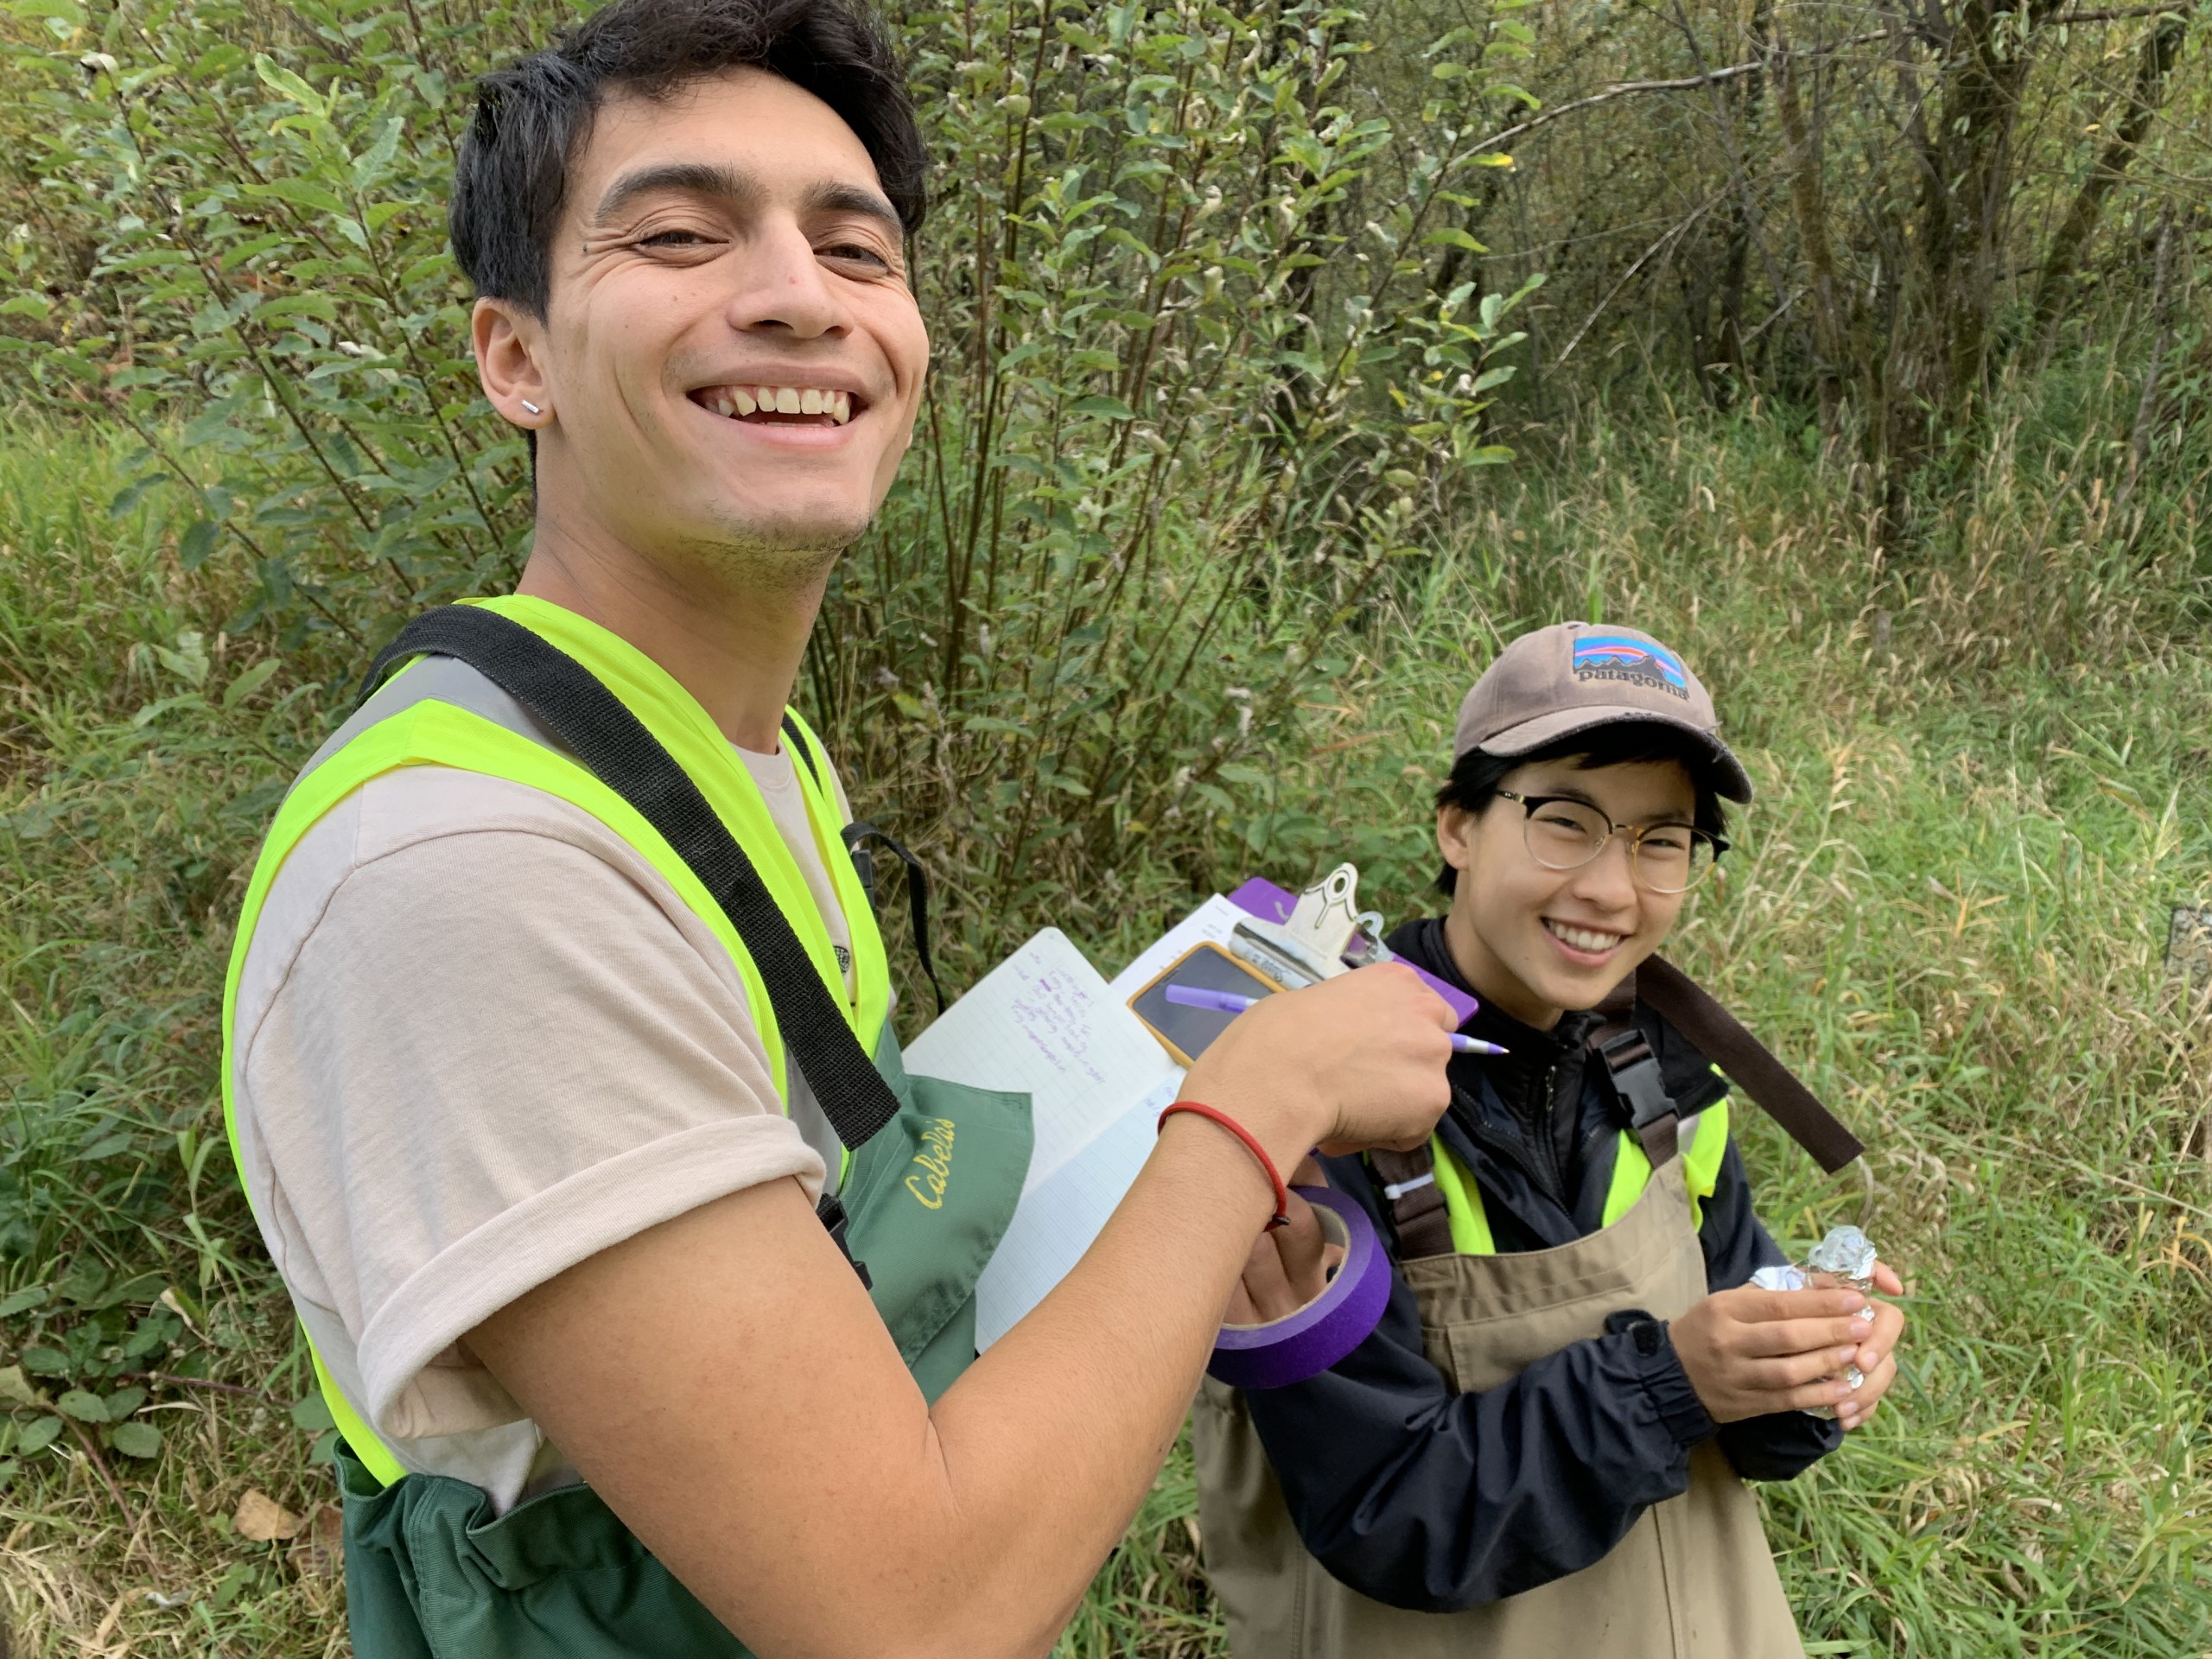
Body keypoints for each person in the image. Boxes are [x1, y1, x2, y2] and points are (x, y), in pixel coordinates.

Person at [216, 3, 1458, 1654]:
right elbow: (912, 1612)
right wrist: (1253, 1106)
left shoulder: (732, 747)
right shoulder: (468, 872)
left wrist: (1154, 1209)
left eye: (856, 249)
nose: (801, 296)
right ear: (515, 358)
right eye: (677, 233)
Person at [1193, 621, 1910, 1658]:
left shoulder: (1659, 1066)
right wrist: (1672, 1383)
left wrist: (1805, 1368)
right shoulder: (1314, 1109)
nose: (1612, 891)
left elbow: (1742, 1419)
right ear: (1457, 826)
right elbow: (1387, 1510)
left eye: (1659, 840)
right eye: (1565, 821)